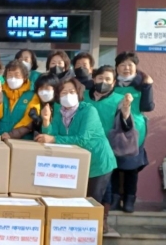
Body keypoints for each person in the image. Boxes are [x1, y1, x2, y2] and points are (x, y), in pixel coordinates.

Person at [35, 77, 117, 206]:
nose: (68, 95)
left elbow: (82, 139)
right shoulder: (59, 112)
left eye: (72, 91)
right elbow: (51, 135)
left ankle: (101, 219)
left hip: (98, 162)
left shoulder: (89, 111)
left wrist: (54, 139)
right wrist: (46, 120)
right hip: (75, 164)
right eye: (64, 92)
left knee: (92, 202)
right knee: (76, 202)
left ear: (78, 93)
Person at [83, 65, 145, 231]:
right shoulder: (83, 97)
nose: (103, 82)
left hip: (106, 150)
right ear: (93, 79)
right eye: (100, 78)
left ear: (114, 82)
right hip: (83, 147)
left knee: (106, 185)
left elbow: (126, 125)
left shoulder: (119, 99)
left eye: (108, 79)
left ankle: (102, 218)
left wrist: (126, 110)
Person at [110, 51, 155, 212]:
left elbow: (148, 106)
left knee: (132, 166)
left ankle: (129, 199)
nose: (126, 68)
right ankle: (115, 198)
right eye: (122, 65)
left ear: (136, 67)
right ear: (117, 68)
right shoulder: (112, 84)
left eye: (130, 65)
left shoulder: (142, 84)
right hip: (114, 127)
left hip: (135, 129)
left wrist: (148, 87)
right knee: (113, 166)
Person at [0, 60, 39, 140]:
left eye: (17, 75)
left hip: (22, 140)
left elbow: (29, 121)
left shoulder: (32, 96)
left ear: (24, 77)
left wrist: (12, 134)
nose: (13, 79)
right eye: (10, 75)